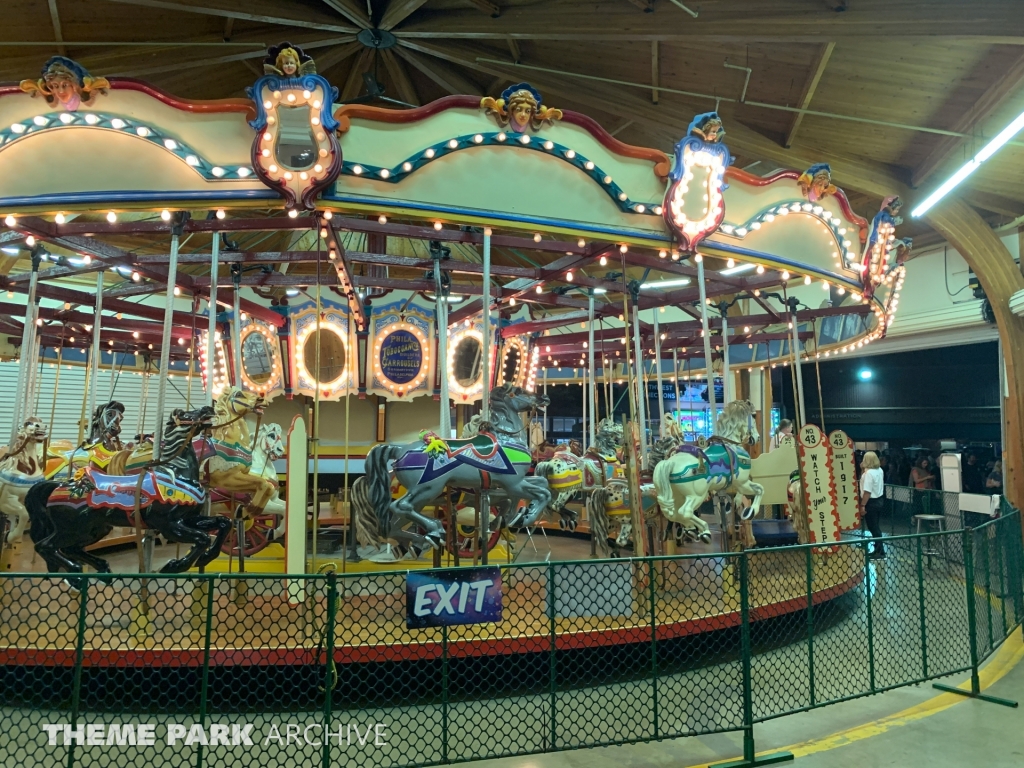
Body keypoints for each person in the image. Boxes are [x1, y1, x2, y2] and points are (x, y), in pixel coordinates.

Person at [860, 451, 886, 559]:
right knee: (876, 527)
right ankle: (878, 549)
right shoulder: (879, 470)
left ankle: (879, 551)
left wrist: (862, 505)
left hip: (870, 502)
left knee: (873, 527)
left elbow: (867, 492)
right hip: (879, 500)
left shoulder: (869, 474)